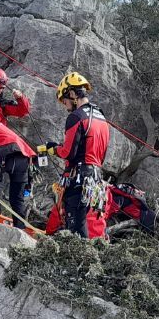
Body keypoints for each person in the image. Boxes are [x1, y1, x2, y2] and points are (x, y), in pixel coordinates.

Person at [38, 72, 111, 238]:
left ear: (71, 94)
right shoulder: (101, 117)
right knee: (84, 220)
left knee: (75, 226)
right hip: (96, 179)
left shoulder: (75, 117)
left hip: (78, 178)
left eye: (65, 101)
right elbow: (103, 153)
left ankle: (82, 258)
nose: (65, 106)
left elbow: (68, 152)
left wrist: (53, 148)